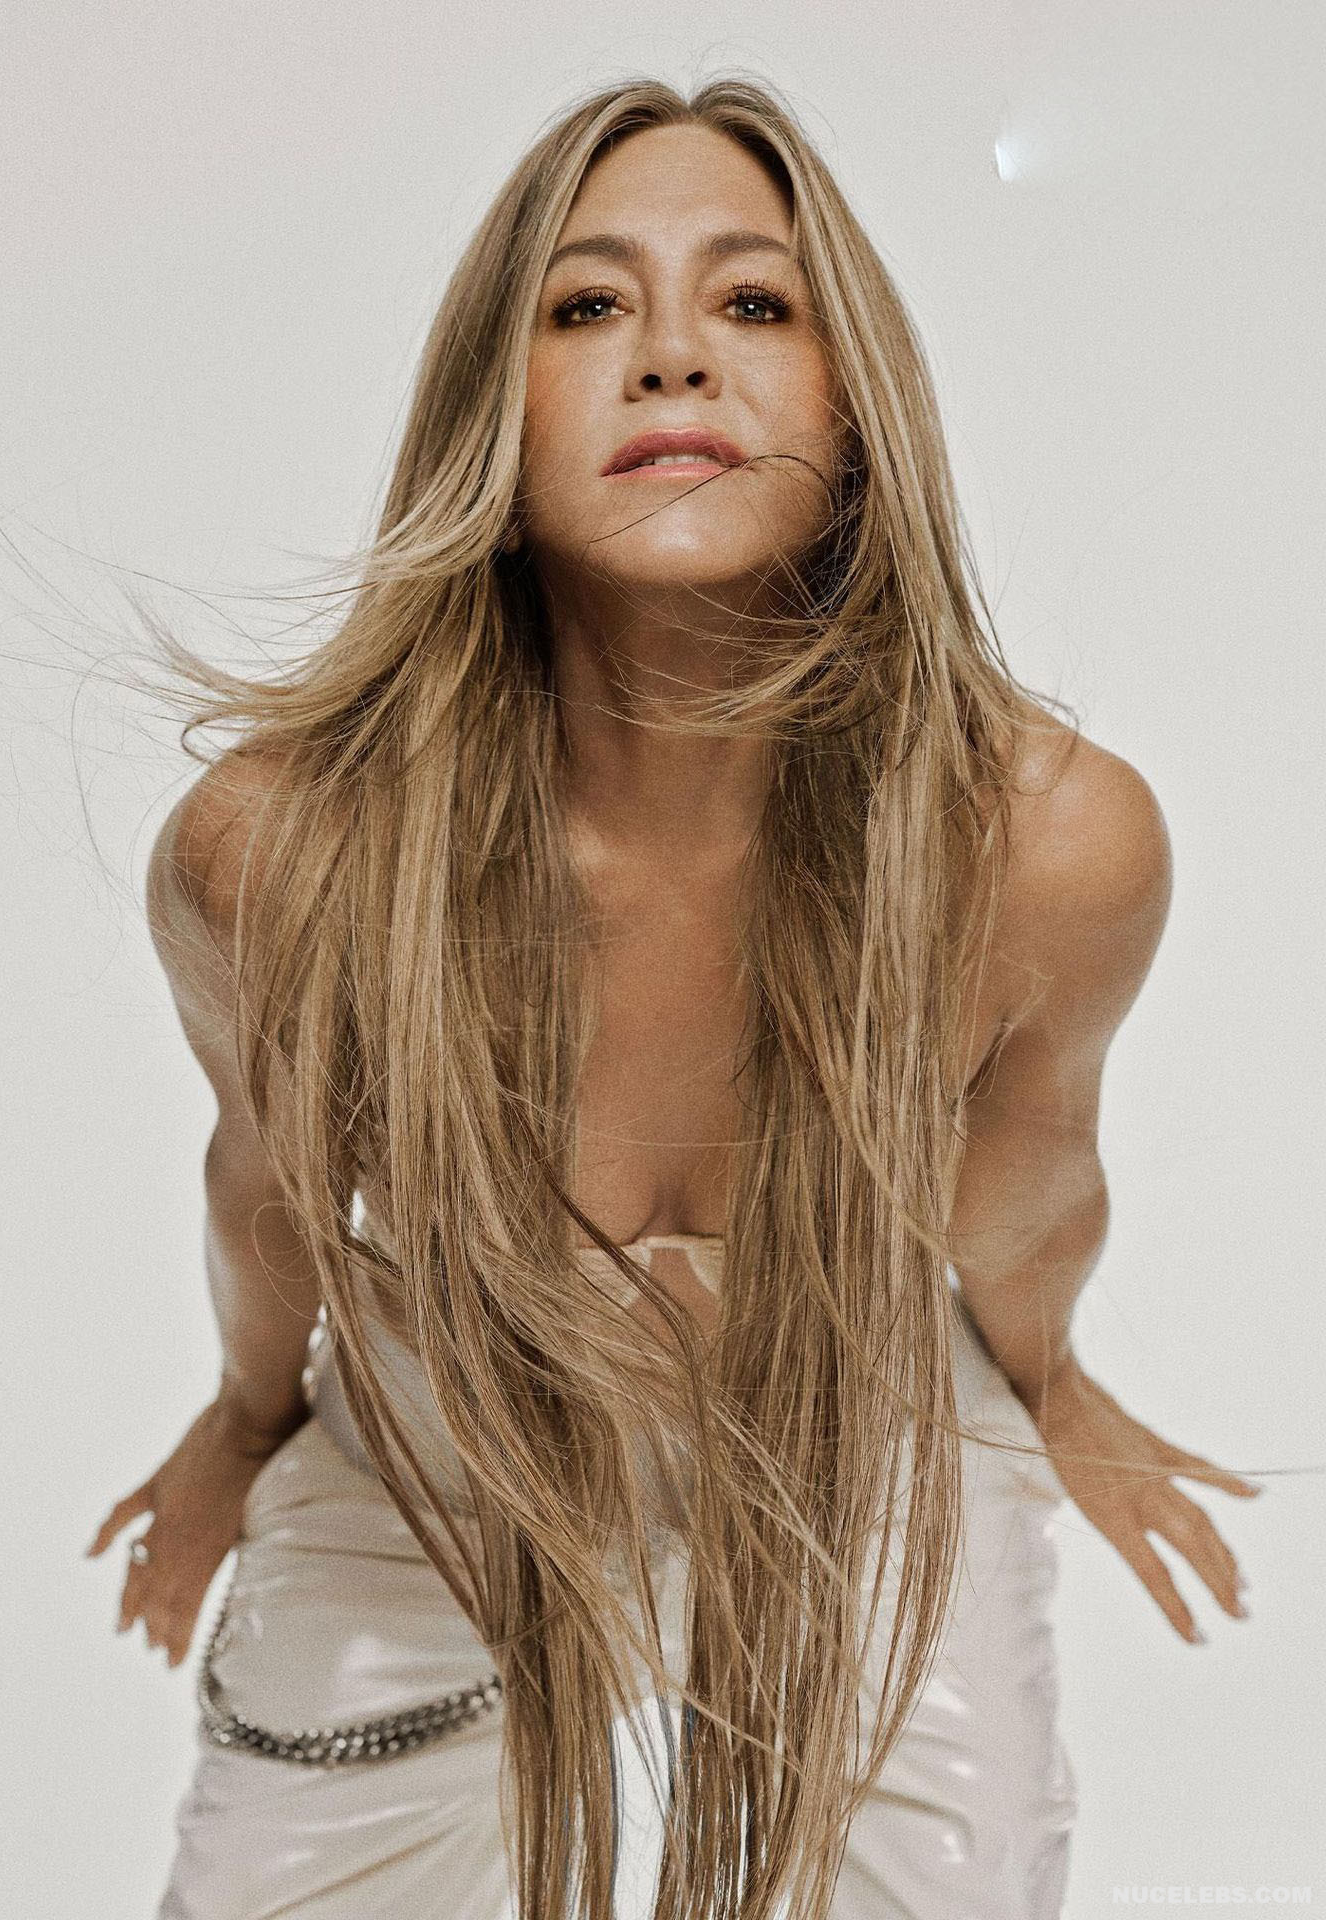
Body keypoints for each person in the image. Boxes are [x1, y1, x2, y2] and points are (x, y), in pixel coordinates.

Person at [84, 76, 1260, 1920]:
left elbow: (1033, 1201)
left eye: (755, 302)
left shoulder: (1041, 844)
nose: (672, 357)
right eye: (587, 305)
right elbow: (266, 1187)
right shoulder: (283, 854)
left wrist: (1059, 1395)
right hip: (446, 1440)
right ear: (492, 423)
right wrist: (241, 1427)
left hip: (859, 1421)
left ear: (855, 414)